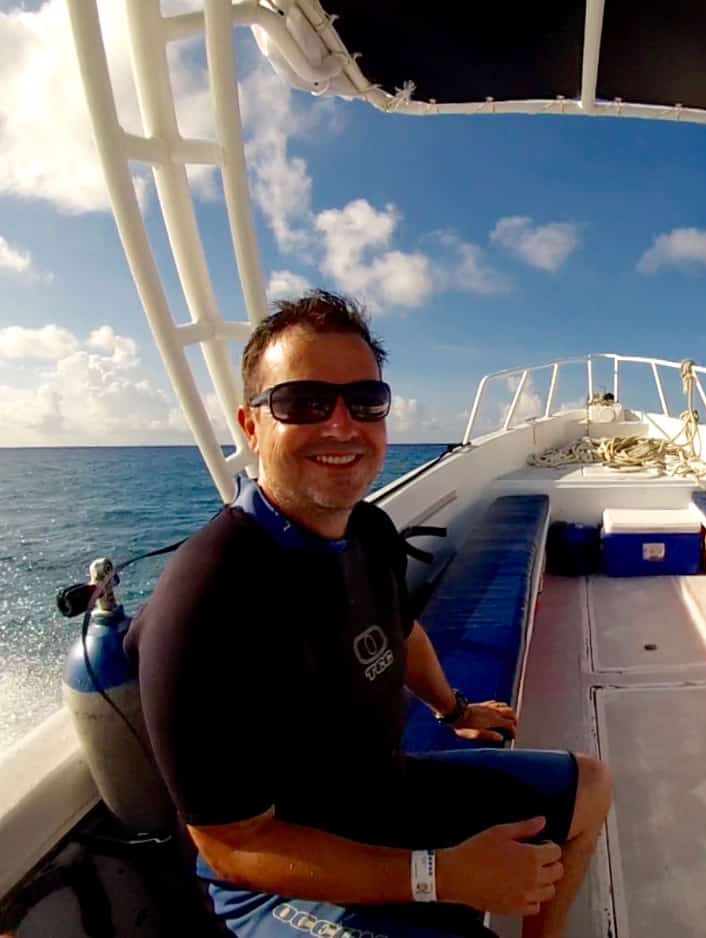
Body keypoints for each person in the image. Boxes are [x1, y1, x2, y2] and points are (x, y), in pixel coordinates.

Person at [126, 290, 613, 938]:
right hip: (273, 878)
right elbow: (233, 848)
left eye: (364, 402)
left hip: (387, 791)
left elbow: (399, 633)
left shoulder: (368, 528)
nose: (340, 425)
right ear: (251, 426)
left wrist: (456, 712)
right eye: (303, 401)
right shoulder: (207, 596)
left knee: (590, 787)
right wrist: (438, 876)